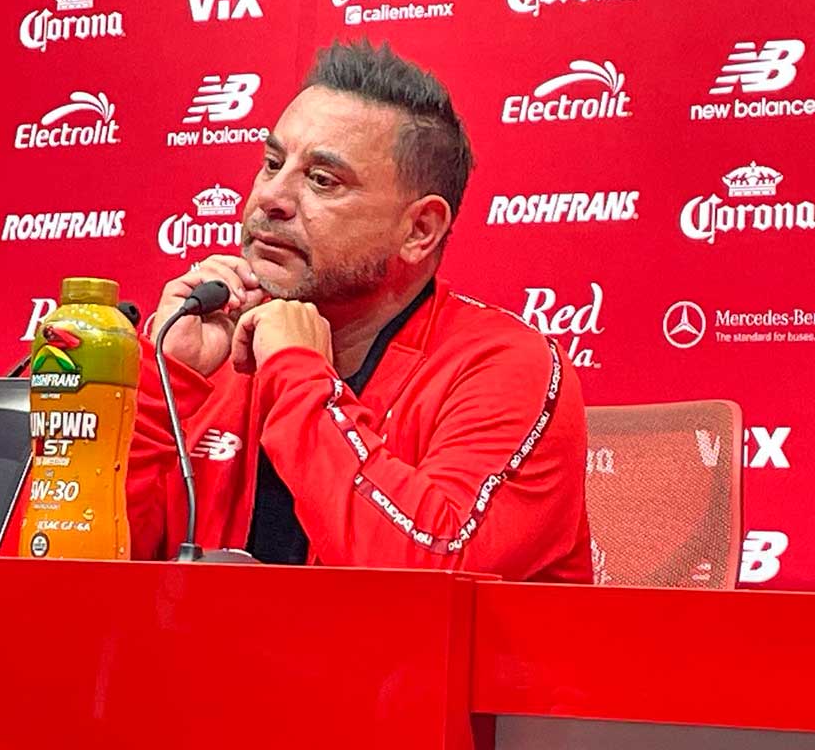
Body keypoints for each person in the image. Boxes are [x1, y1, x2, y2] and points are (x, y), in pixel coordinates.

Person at [128, 40, 592, 582]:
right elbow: (55, 578)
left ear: (420, 229)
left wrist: (298, 376)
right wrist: (160, 386)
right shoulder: (209, 355)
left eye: (323, 180)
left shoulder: (505, 364)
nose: (271, 197)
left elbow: (430, 581)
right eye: (272, 163)